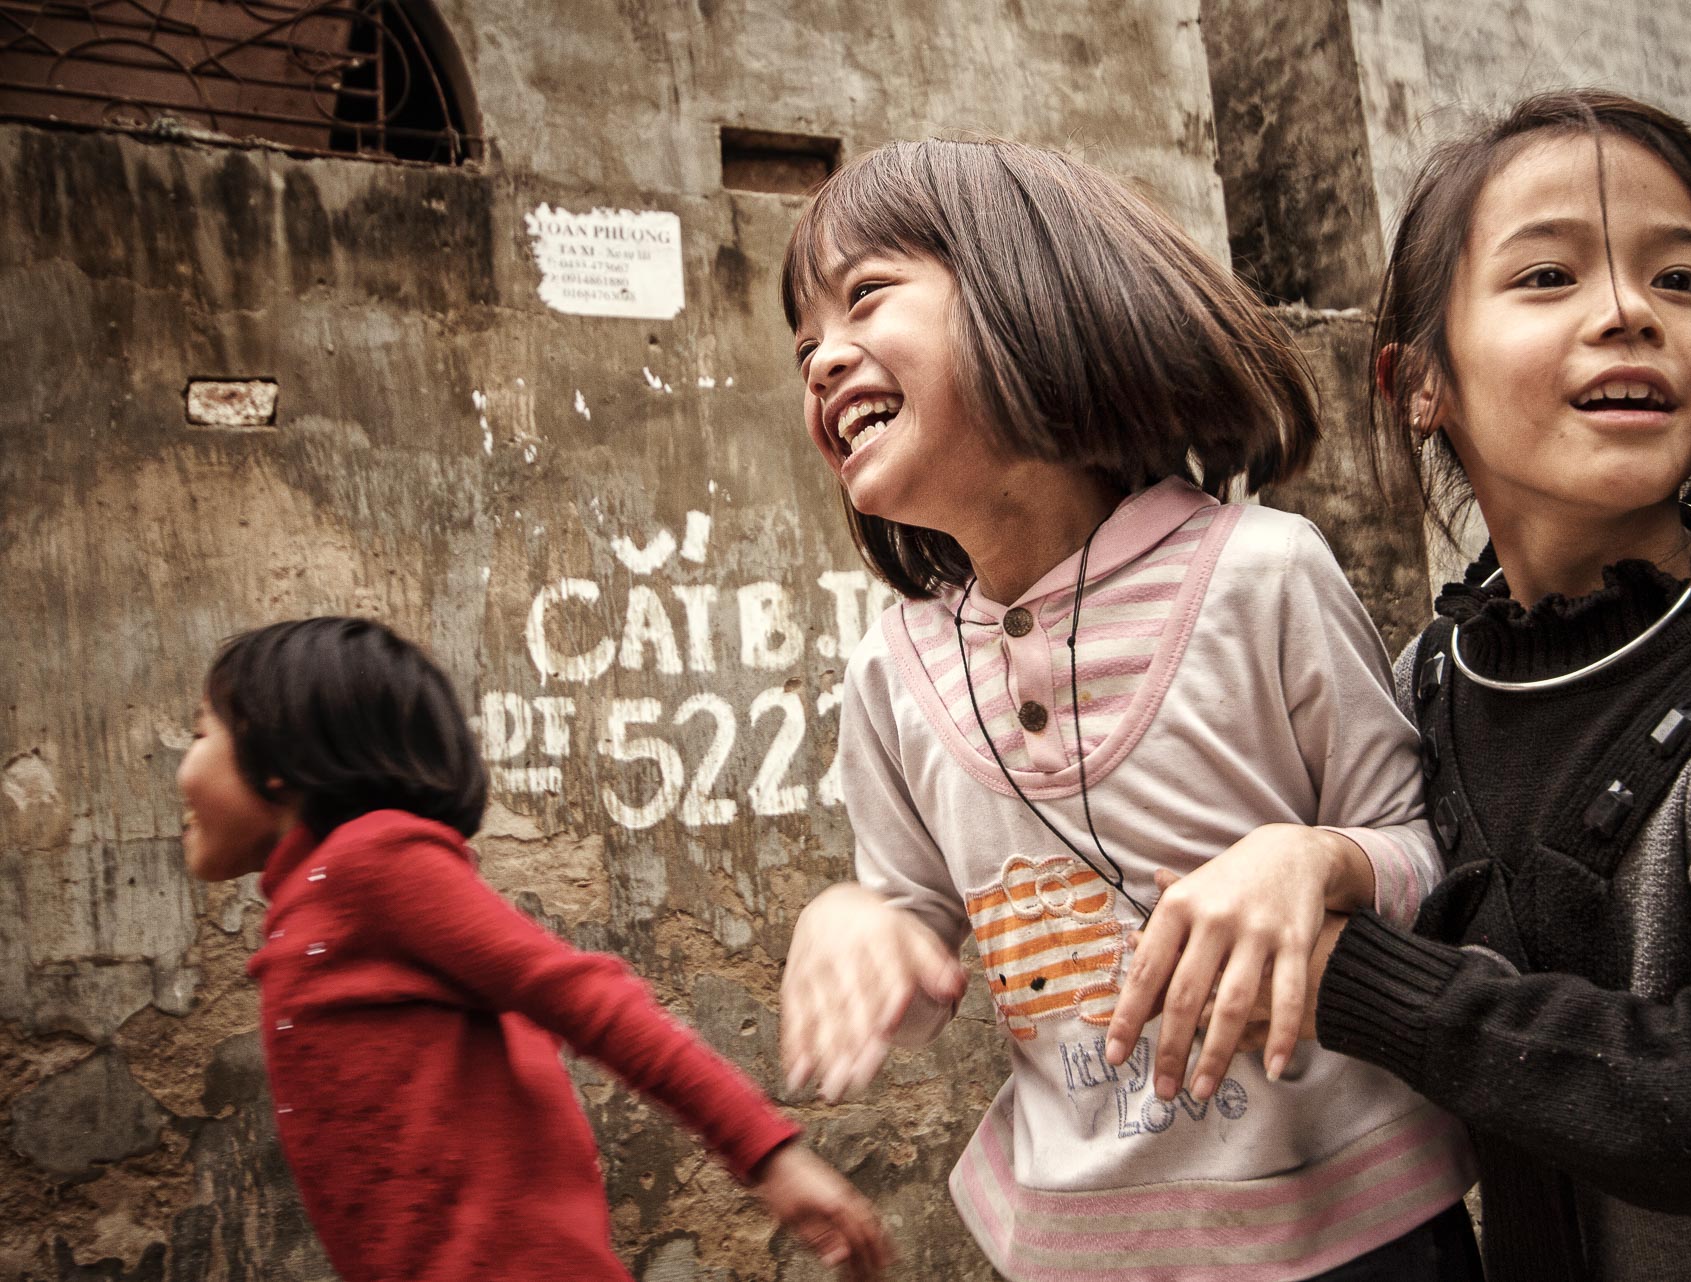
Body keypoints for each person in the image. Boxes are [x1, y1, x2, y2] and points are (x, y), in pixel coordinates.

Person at [1115, 88, 1691, 1281]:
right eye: (1547, 277)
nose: (1625, 313)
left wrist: (1353, 971)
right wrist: (1311, 858)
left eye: (1680, 281)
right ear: (1418, 382)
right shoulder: (1422, 690)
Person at [776, 138, 1478, 1282]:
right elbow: (916, 945)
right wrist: (858, 927)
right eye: (803, 343)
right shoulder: (887, 671)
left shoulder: (1263, 575)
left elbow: (1418, 853)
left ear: (1031, 296)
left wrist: (1309, 862)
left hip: (1347, 1234)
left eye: (862, 298)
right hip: (1073, 1252)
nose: (821, 359)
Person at [177, 616, 890, 1282]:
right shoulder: (312, 902)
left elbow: (584, 997)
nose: (182, 764)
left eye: (200, 734)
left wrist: (767, 1155)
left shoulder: (371, 863)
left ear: (278, 758)